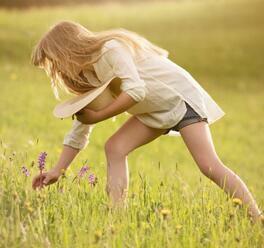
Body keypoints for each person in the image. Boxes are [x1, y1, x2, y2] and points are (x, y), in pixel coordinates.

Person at [31, 20, 263, 223]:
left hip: (179, 98)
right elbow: (80, 127)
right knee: (115, 148)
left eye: (56, 62)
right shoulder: (89, 74)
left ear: (69, 49)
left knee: (209, 166)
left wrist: (99, 116)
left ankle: (256, 217)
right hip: (154, 110)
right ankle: (116, 217)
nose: (58, 71)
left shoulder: (110, 50)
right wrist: (58, 170)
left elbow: (136, 90)